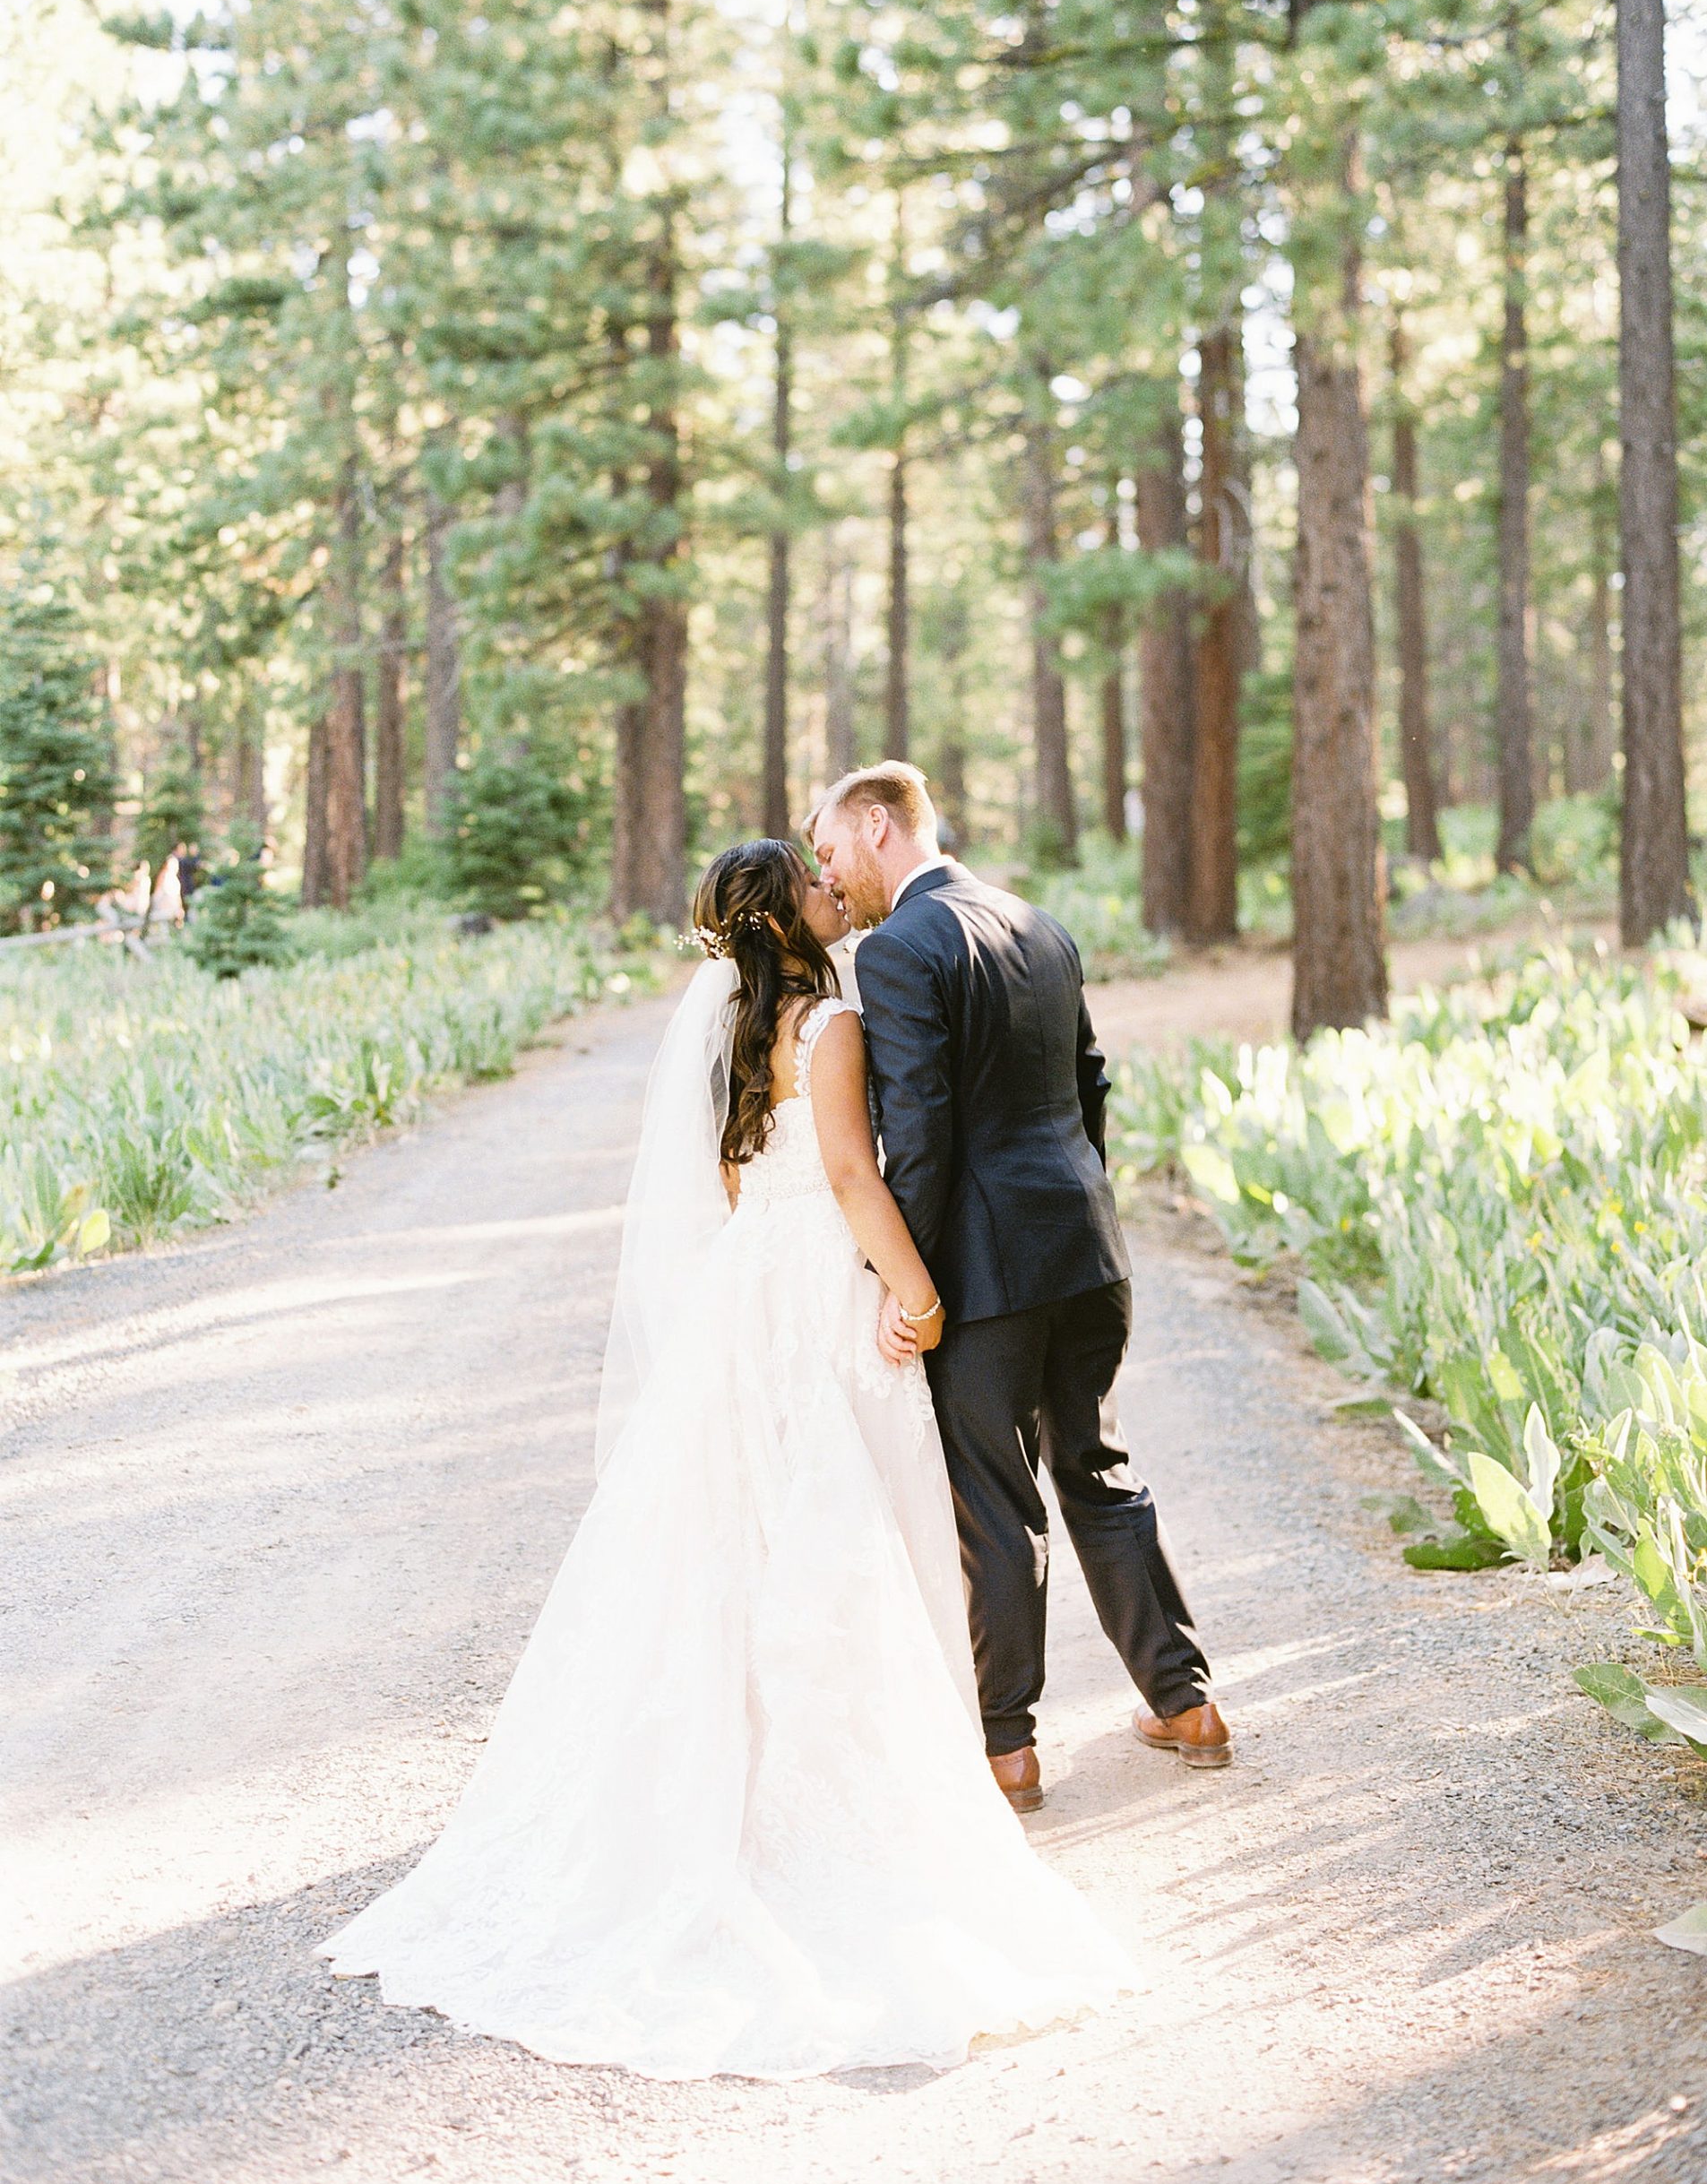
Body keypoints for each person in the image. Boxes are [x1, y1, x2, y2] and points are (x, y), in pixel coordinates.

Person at [318, 838, 1131, 2078]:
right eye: (811, 885)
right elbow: (856, 1175)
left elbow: (733, 1180)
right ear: (785, 918)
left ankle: (731, 1782)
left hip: (747, 1286)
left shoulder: (735, 1037)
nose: (829, 890)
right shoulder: (829, 1028)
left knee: (735, 1538)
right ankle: (828, 1808)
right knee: (839, 1532)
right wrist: (911, 1292)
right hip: (816, 1286)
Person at [808, 762, 1230, 1810]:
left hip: (985, 1274)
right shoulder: (1040, 925)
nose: (828, 876)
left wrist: (901, 1279)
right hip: (1086, 1252)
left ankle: (1007, 1749)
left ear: (876, 826)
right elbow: (1090, 1086)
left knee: (995, 1505)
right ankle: (1187, 1704)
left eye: (828, 851)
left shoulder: (901, 949)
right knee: (1098, 1467)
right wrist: (1074, 1204)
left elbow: (920, 1134)